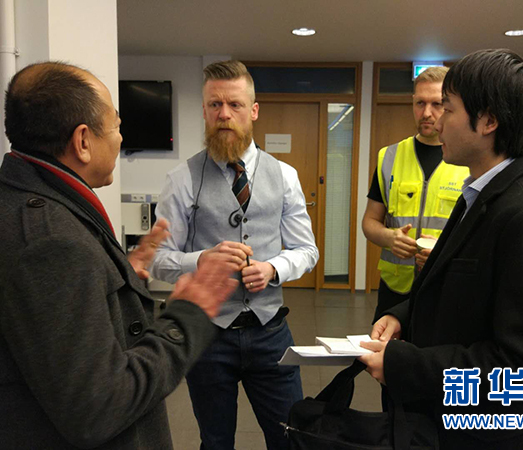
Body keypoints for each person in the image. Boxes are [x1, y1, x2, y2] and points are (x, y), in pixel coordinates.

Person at [0, 62, 238, 449]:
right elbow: (97, 409)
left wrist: (116, 276)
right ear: (82, 141)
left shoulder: (28, 205)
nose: (121, 137)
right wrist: (186, 316)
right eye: (116, 125)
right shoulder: (51, 244)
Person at [360, 49, 523, 449]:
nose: (437, 120)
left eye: (448, 108)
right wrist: (402, 316)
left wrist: (406, 365)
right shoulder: (480, 194)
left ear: (488, 121)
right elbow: (463, 292)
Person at [150, 60, 319, 449]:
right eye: (215, 105)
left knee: (291, 438)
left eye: (235, 104)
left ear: (253, 110)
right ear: (205, 110)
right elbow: (158, 258)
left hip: (270, 331)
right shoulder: (182, 179)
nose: (224, 114)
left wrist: (273, 268)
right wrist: (199, 261)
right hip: (207, 334)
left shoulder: (285, 176)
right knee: (215, 441)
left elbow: (306, 250)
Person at [362, 66, 469, 322]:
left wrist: (445, 252)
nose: (427, 113)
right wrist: (390, 238)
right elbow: (369, 222)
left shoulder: (468, 161)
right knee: (386, 347)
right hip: (395, 289)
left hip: (445, 287)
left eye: (437, 104)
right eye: (420, 103)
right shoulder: (389, 157)